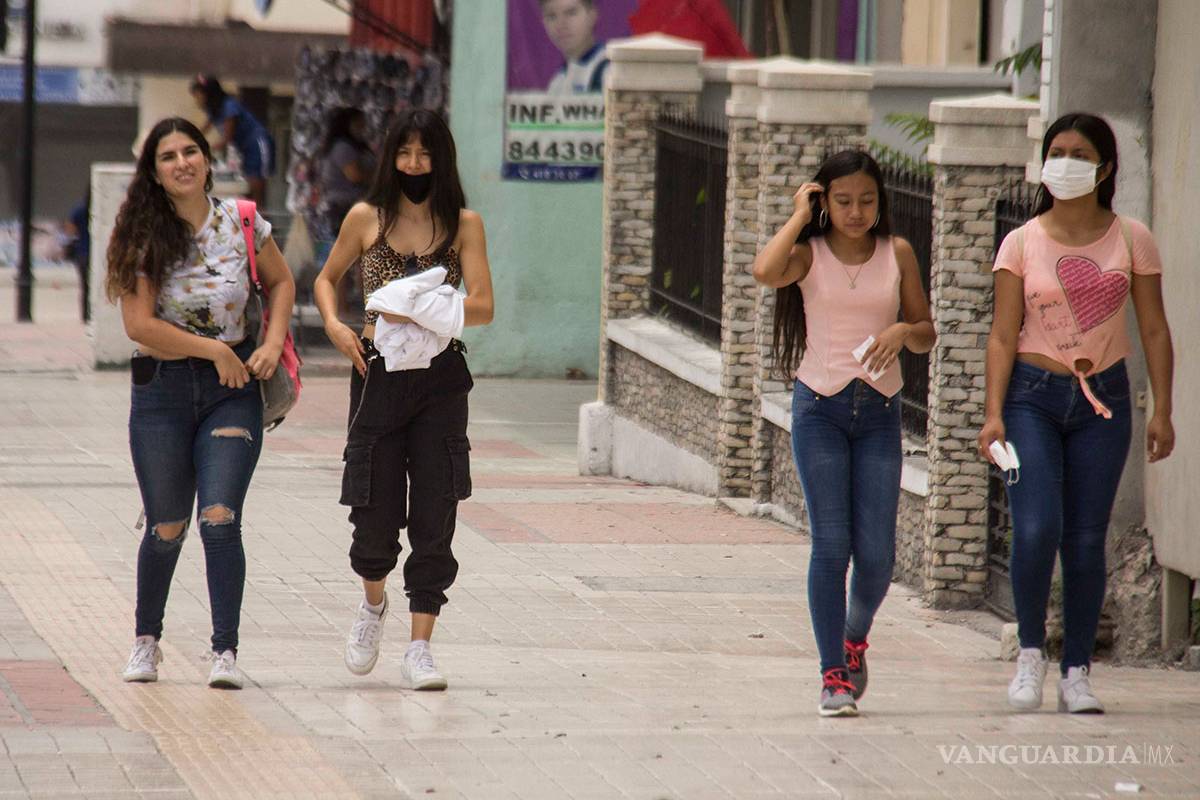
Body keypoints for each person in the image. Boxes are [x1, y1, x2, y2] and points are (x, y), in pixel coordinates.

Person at [979, 113, 1174, 714]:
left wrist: (1161, 409)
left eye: (1078, 152)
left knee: (1086, 540)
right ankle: (1031, 653)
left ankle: (1078, 671)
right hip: (1030, 399)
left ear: (1104, 168)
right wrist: (993, 414)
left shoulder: (1131, 237)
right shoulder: (1022, 241)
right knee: (1036, 528)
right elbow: (1002, 336)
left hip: (1105, 402)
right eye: (1056, 151)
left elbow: (1154, 329)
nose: (1064, 161)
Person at [104, 117, 295, 689]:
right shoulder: (142, 234)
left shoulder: (243, 222)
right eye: (168, 156)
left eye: (191, 151)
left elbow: (282, 283)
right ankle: (146, 640)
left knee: (219, 516)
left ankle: (224, 653)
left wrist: (270, 343)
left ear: (209, 160)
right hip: (161, 392)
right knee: (166, 526)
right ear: (155, 172)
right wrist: (213, 348)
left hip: (231, 393)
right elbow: (139, 325)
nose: (182, 162)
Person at [313, 109, 494, 691]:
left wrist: (413, 306)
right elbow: (326, 278)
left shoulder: (464, 224)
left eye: (426, 153)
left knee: (437, 506)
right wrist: (338, 327)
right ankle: (372, 607)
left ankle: (420, 647)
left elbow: (484, 307)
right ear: (390, 156)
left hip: (441, 379)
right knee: (372, 512)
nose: (415, 164)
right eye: (405, 153)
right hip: (377, 375)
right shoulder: (367, 216)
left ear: (442, 159)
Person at [752, 150, 935, 717]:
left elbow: (927, 333)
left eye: (867, 200)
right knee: (832, 546)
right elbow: (764, 271)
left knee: (877, 556)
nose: (856, 212)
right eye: (843, 201)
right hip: (820, 410)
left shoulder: (896, 253)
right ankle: (832, 674)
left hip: (879, 413)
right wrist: (798, 216)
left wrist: (904, 331)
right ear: (824, 202)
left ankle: (855, 637)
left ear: (881, 202)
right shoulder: (808, 255)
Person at [190, 74, 275, 205]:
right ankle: (252, 213)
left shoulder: (229, 106)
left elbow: (227, 138)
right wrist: (189, 140)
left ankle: (261, 215)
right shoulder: (214, 111)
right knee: (249, 184)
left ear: (208, 94)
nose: (197, 100)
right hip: (245, 148)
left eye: (198, 95)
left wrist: (204, 150)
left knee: (256, 181)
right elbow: (202, 130)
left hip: (257, 143)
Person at [540, 0, 609, 94]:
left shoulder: (609, 69)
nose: (561, 25)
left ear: (592, 15)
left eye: (571, 13)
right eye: (552, 16)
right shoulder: (558, 81)